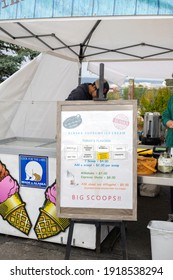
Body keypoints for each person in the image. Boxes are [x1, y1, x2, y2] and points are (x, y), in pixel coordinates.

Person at [162, 95, 173, 221]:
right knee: (172, 181)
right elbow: (165, 115)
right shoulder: (172, 98)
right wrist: (167, 121)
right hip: (172, 143)